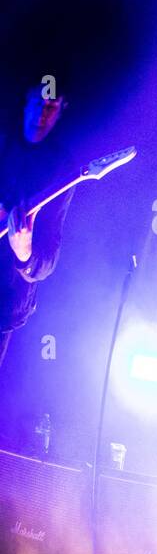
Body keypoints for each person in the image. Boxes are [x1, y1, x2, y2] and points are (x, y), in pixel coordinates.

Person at [1, 85, 71, 368]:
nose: (42, 114)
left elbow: (49, 258)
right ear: (25, 102)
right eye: (37, 103)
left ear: (62, 110)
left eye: (51, 106)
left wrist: (25, 253)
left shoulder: (60, 171)